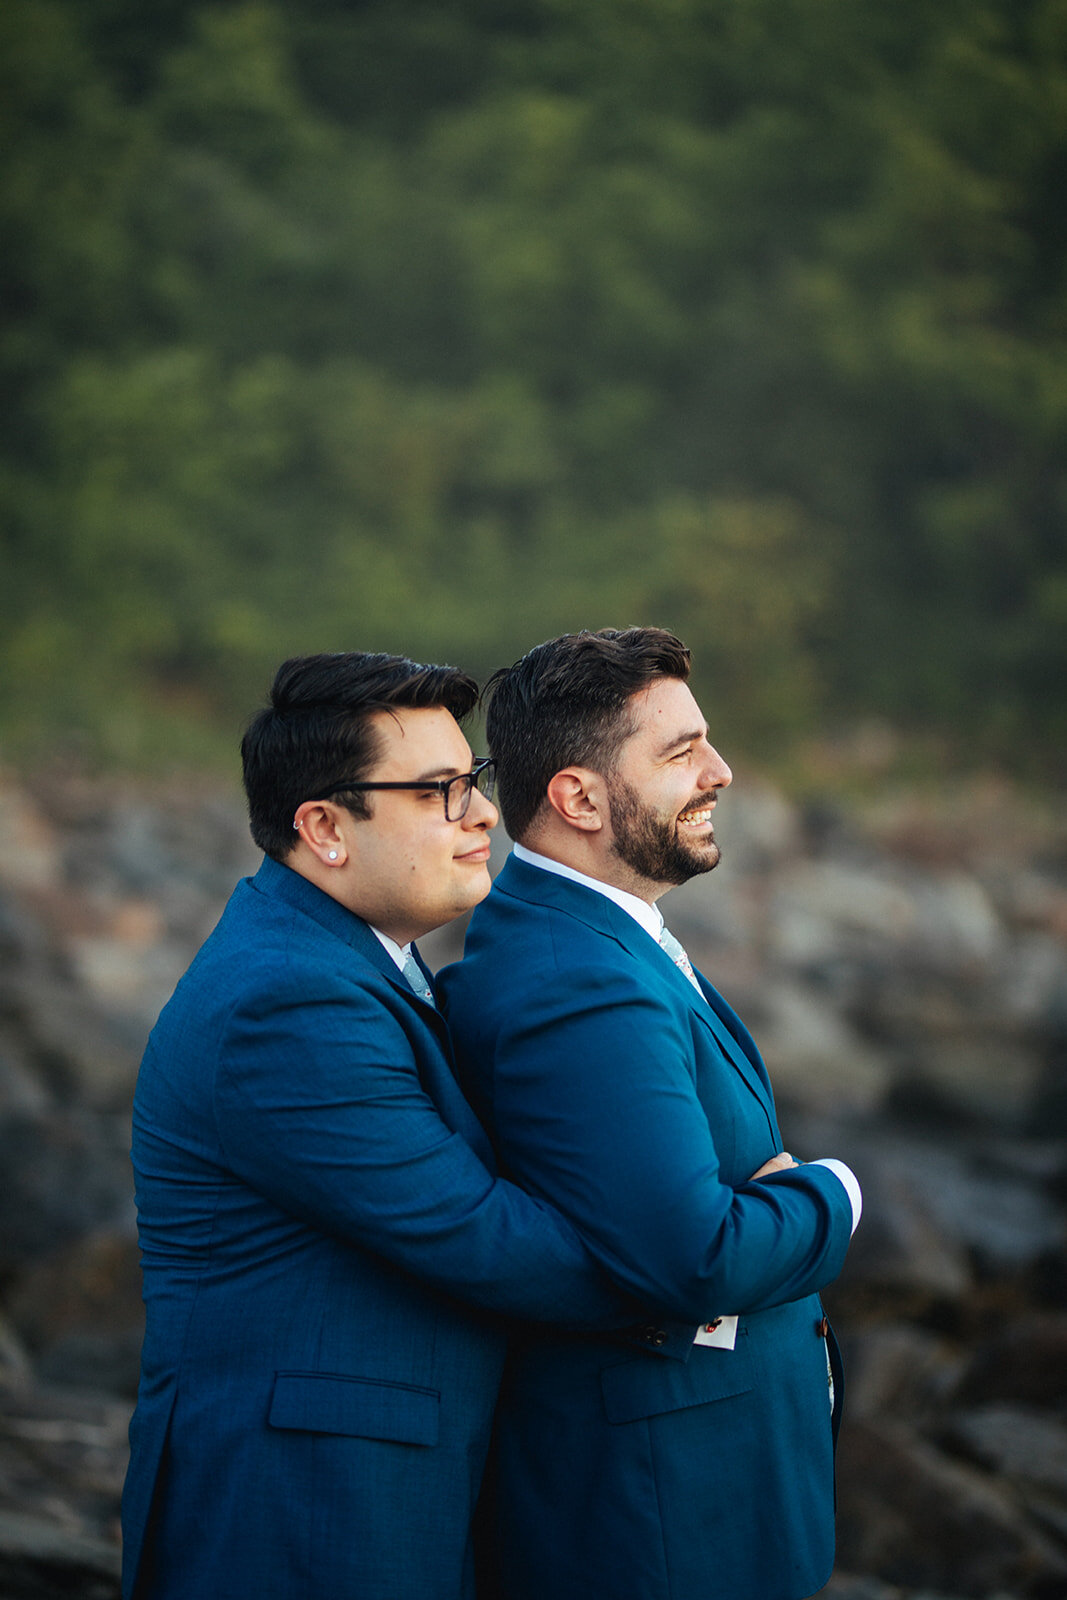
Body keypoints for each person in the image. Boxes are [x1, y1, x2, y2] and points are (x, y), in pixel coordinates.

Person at [120, 650, 645, 1600]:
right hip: (301, 1515)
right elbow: (480, 1239)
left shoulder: (355, 964)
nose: (483, 814)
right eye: (439, 791)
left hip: (372, 1490)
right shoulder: (285, 1002)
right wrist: (711, 1251)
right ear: (322, 827)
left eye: (473, 781)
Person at [439, 626, 863, 1600]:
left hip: (701, 1488)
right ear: (576, 796)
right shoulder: (574, 981)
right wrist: (828, 1192)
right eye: (679, 752)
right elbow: (690, 1257)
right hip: (662, 1525)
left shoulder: (594, 934)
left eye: (703, 741)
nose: (719, 771)